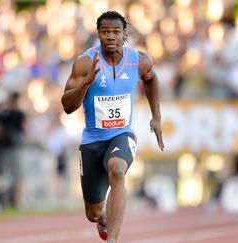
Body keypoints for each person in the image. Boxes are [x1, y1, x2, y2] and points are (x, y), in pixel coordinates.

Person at [61, 11, 164, 243]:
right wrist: (86, 83)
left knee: (118, 171)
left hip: (122, 135)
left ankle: (113, 241)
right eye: (105, 32)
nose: (110, 37)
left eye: (116, 32)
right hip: (92, 141)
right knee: (93, 213)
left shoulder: (139, 60)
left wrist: (156, 116)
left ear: (124, 35)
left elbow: (151, 78)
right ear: (98, 34)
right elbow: (67, 106)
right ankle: (104, 218)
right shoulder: (85, 62)